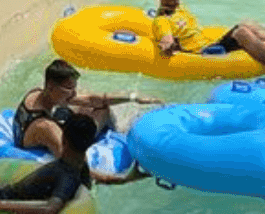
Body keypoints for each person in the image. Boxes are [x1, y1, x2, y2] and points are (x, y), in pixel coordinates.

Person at [13, 59, 157, 171]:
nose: (74, 93)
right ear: (51, 87)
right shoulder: (46, 127)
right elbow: (72, 163)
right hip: (42, 137)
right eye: (69, 89)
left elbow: (94, 100)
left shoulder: (40, 94)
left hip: (42, 127)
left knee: (97, 106)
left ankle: (117, 131)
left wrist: (133, 97)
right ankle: (119, 136)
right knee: (103, 112)